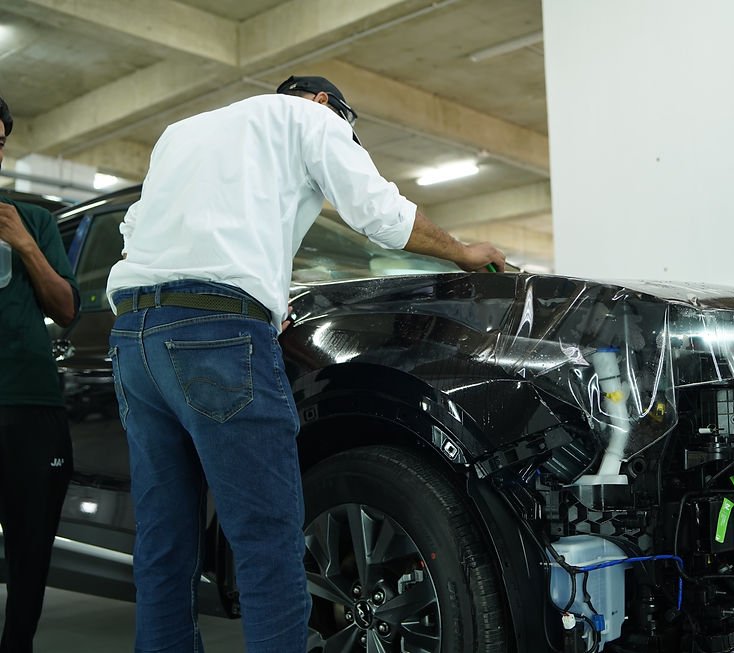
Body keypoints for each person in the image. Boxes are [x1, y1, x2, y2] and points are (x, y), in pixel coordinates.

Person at [104, 75, 505, 652]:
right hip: (217, 337)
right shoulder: (312, 119)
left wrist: (260, 297)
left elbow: (134, 233)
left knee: (165, 547)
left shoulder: (181, 132)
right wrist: (465, 252)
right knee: (267, 543)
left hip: (136, 339)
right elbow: (379, 214)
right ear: (322, 101)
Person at [0, 95, 79, 653]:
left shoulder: (32, 221)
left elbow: (68, 310)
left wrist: (25, 245)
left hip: (29, 406)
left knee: (30, 553)